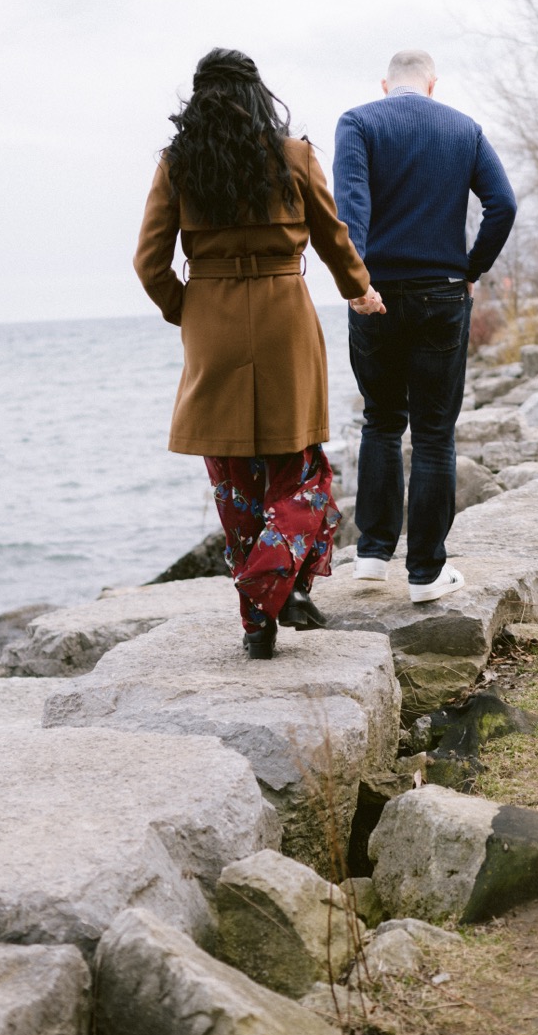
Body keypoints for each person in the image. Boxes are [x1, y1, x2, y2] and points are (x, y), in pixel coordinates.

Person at [134, 47, 385, 659]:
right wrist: (360, 289)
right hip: (284, 317)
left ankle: (258, 621)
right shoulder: (294, 155)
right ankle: (274, 584)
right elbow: (332, 237)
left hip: (212, 320)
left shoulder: (179, 163)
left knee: (235, 481)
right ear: (257, 94)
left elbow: (149, 262)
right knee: (303, 474)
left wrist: (189, 311)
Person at [333, 48, 517, 602]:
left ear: (385, 83)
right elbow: (502, 206)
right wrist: (470, 269)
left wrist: (357, 282)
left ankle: (371, 553)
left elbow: (351, 207)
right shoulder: (464, 129)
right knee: (435, 434)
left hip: (376, 295)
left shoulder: (358, 122)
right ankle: (426, 574)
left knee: (381, 421)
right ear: (433, 85)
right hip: (442, 295)